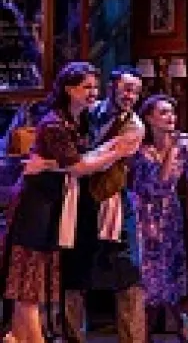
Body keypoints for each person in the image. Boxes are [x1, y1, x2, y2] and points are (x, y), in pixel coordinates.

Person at [0, 62, 138, 343]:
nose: (93, 93)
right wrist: (116, 152)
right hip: (37, 208)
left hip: (55, 205)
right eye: (86, 87)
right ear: (69, 89)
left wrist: (55, 163)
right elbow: (78, 167)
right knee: (28, 286)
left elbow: (79, 158)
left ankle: (16, 337)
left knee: (34, 287)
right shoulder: (54, 124)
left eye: (95, 87)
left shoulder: (78, 121)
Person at [62, 65, 146, 343]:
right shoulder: (89, 111)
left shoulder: (134, 126)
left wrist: (70, 162)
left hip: (113, 200)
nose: (130, 96)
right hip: (79, 200)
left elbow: (101, 159)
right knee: (74, 272)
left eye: (136, 91)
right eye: (126, 89)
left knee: (127, 272)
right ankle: (73, 337)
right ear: (112, 87)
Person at [133, 94, 188, 342]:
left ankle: (181, 322)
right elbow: (159, 183)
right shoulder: (141, 151)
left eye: (172, 112)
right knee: (148, 276)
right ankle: (144, 333)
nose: (171, 117)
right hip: (146, 215)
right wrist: (174, 149)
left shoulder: (183, 147)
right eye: (164, 112)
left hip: (170, 215)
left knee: (171, 273)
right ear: (149, 118)